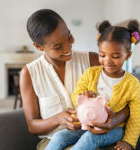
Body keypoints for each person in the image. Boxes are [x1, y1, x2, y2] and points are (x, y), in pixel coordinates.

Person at [20, 9, 129, 150]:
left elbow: (128, 100)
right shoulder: (29, 73)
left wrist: (113, 122)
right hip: (53, 141)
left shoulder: (93, 60)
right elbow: (33, 126)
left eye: (69, 36)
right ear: (39, 46)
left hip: (96, 135)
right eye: (58, 47)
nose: (68, 47)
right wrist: (58, 119)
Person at [45, 20, 140, 150]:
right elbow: (75, 97)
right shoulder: (91, 73)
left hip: (116, 129)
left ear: (127, 55)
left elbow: (136, 115)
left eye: (116, 56)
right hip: (87, 123)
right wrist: (82, 96)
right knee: (59, 136)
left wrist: (129, 142)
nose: (108, 61)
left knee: (89, 138)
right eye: (102, 55)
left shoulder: (132, 84)